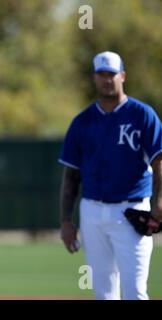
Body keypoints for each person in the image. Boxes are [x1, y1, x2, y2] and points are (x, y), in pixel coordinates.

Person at [58, 51, 162, 300]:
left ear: (122, 76)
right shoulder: (82, 121)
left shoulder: (142, 114)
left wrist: (159, 201)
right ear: (94, 78)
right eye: (101, 74)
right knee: (104, 293)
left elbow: (159, 161)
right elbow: (71, 174)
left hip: (132, 208)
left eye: (111, 74)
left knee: (135, 292)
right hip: (92, 210)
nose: (107, 80)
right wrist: (66, 221)